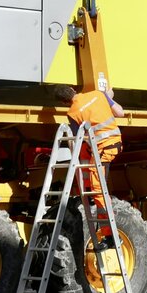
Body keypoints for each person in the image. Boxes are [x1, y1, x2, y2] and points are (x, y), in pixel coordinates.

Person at [53, 82, 125, 250]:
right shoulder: (97, 94)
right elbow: (120, 112)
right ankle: (107, 231)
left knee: (98, 191)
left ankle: (112, 237)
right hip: (113, 143)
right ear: (73, 90)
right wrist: (107, 97)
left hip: (104, 148)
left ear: (63, 102)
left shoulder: (72, 112)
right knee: (97, 190)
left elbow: (77, 141)